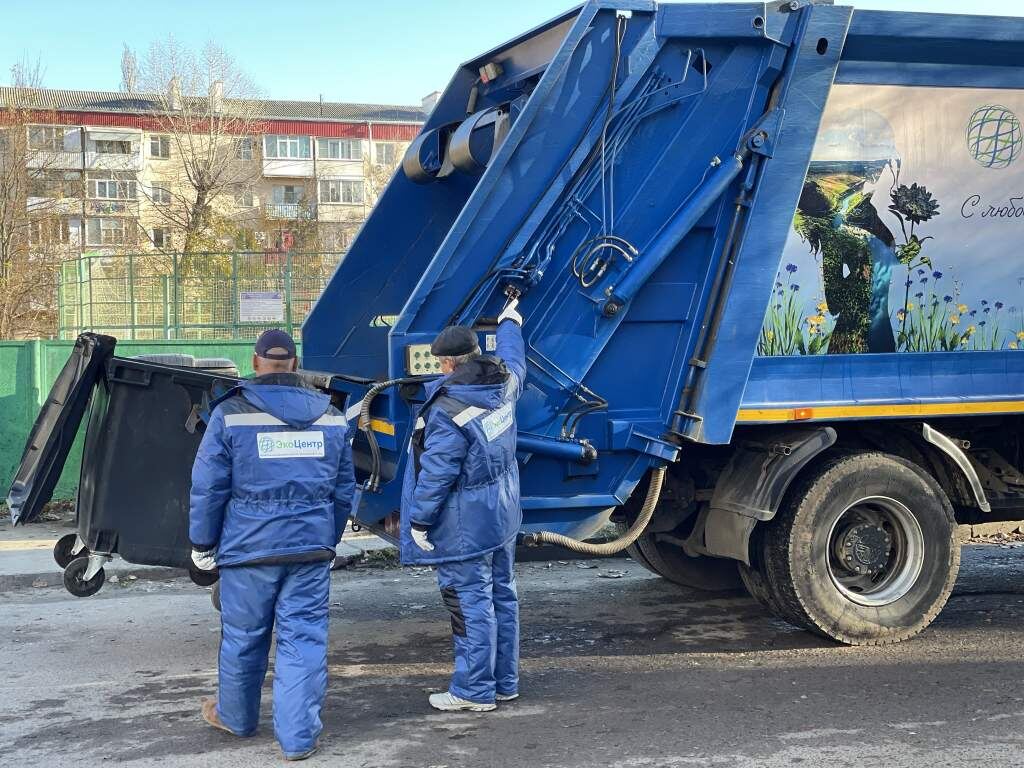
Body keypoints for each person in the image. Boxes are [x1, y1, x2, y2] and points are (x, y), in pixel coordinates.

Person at [189, 328, 356, 761]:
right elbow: (343, 490)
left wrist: (202, 544)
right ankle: (298, 739)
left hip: (249, 549)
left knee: (244, 637)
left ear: (256, 361)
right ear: (296, 365)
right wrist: (327, 539)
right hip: (310, 549)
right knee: (304, 638)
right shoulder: (331, 415)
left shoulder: (231, 412)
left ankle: (237, 719)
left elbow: (208, 486)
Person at [400, 297, 526, 712]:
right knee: (502, 595)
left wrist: (418, 522)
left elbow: (437, 474)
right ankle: (504, 682)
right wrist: (510, 323)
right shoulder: (504, 384)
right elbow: (512, 355)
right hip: (501, 514)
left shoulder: (448, 409)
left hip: (464, 524)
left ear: (448, 365)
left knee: (469, 601)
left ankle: (474, 691)